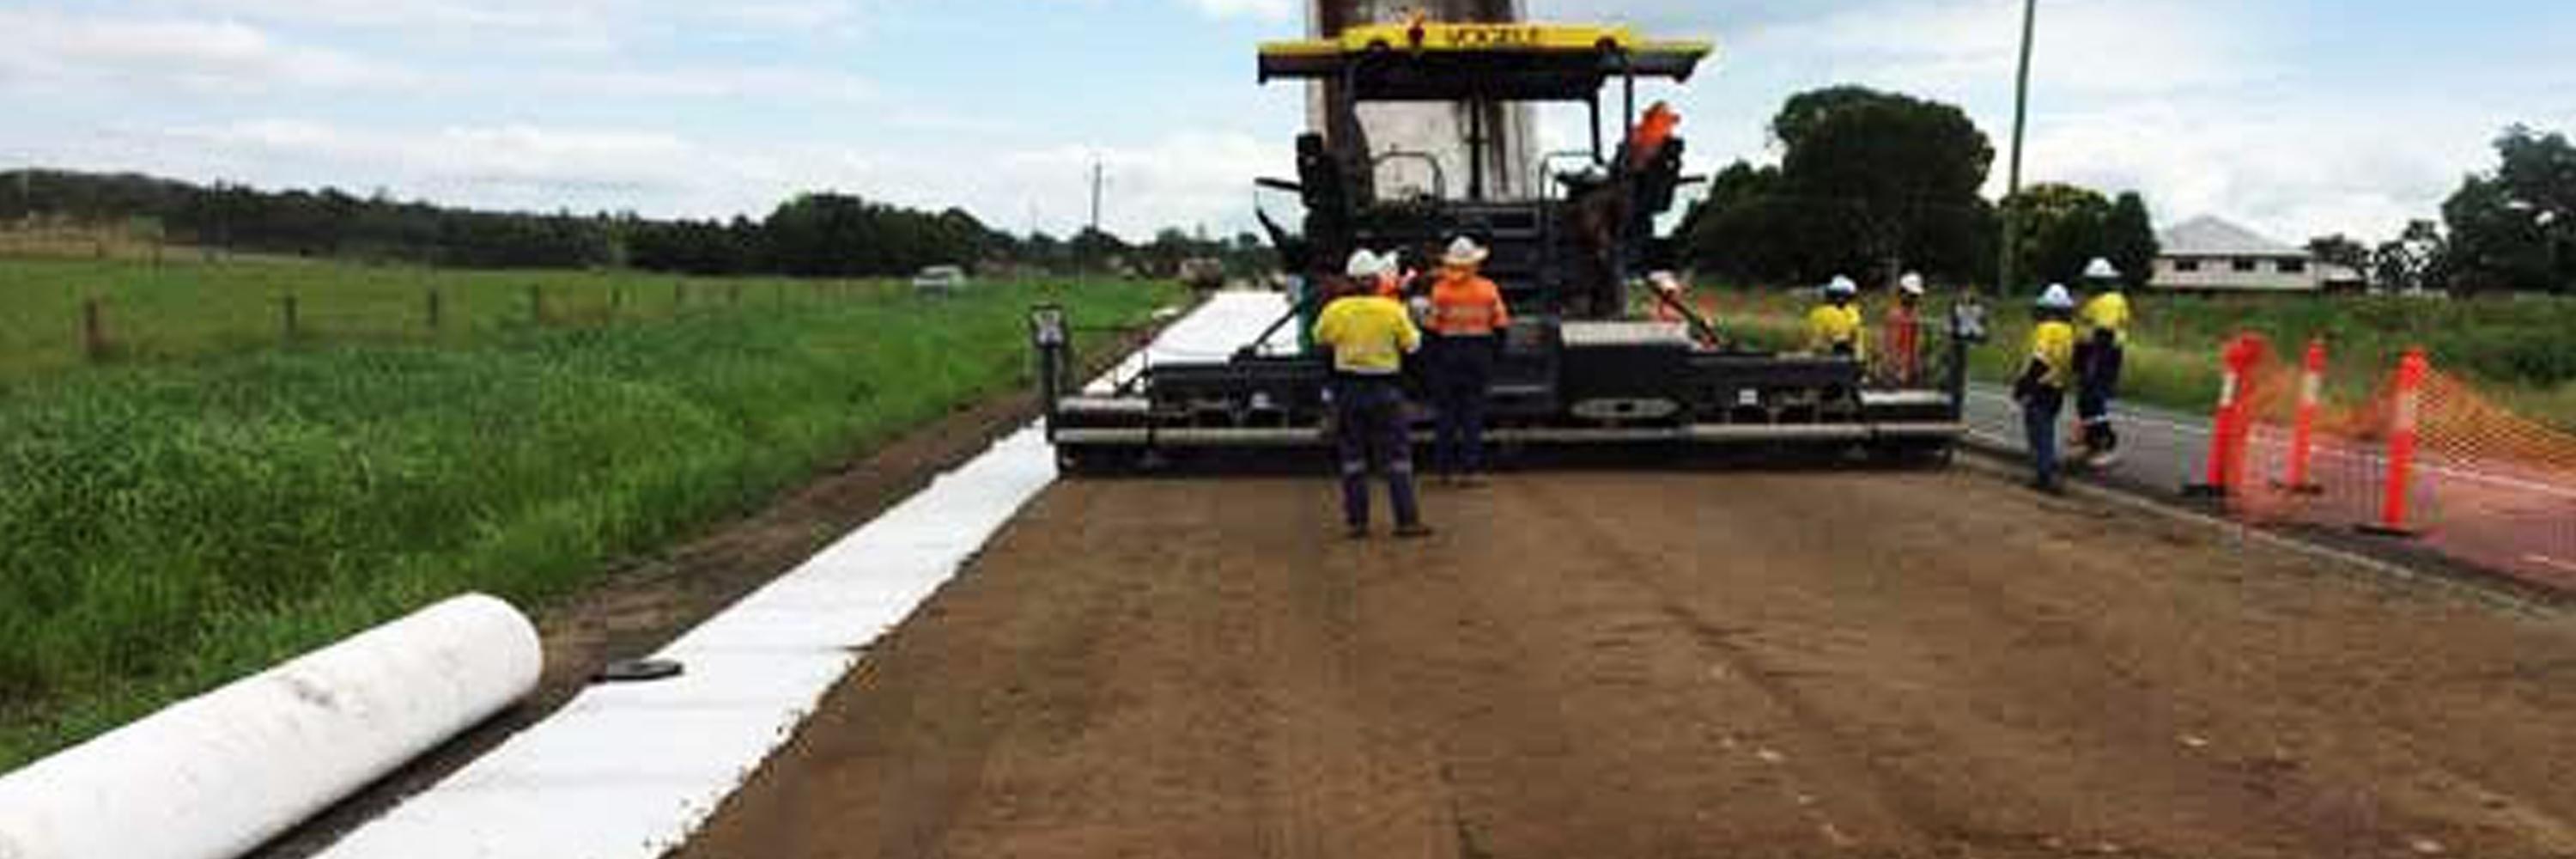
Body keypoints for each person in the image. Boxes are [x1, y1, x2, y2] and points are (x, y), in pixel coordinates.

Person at [1313, 264, 1431, 539]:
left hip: (1349, 390)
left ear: (1349, 281)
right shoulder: (1392, 310)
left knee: (1353, 459)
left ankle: (1357, 523)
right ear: (1377, 281)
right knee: (1398, 458)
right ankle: (1406, 521)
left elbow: (1320, 339)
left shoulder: (1336, 310)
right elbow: (1413, 345)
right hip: (1385, 389)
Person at [1425, 235, 1510, 487]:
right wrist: (1494, 357)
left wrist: (1433, 362)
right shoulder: (1488, 288)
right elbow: (1501, 326)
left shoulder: (1439, 290)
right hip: (1478, 355)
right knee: (1472, 416)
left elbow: (1431, 330)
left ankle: (1443, 471)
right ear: (1475, 263)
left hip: (1448, 356)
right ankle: (1470, 471)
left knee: (1446, 416)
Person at [2015, 284, 2081, 494]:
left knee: (2038, 431)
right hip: (2057, 387)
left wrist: (2024, 385)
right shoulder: (2069, 331)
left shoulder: (2046, 328)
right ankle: (2047, 472)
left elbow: (2040, 359)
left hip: (2040, 386)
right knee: (2048, 430)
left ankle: (2045, 474)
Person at [2075, 258, 2133, 468]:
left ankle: (2107, 446)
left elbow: (2104, 335)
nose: (2089, 284)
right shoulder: (2096, 300)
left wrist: (2093, 362)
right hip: (2092, 353)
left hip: (2102, 354)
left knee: (2094, 400)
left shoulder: (2110, 300)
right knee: (2086, 401)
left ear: (2103, 281)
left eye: (2093, 280)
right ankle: (2091, 444)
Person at [1805, 275, 1866, 359]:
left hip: (1843, 356)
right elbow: (1816, 341)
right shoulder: (1820, 313)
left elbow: (1857, 339)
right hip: (1828, 356)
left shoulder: (1852, 312)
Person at [1884, 271, 1927, 386]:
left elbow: (1916, 342)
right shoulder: (1895, 315)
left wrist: (1917, 365)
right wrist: (1896, 369)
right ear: (1902, 293)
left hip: (1911, 369)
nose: (1914, 299)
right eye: (1911, 295)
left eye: (1916, 296)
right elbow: (1891, 346)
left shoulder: (1915, 314)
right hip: (1897, 371)